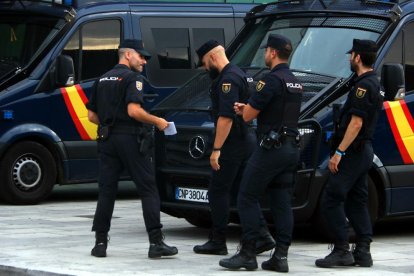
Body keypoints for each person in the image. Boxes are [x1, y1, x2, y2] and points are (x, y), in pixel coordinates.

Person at [86, 39, 178, 259]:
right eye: (141, 56)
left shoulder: (102, 79)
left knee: (107, 190)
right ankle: (156, 243)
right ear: (128, 54)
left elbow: (91, 116)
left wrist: (109, 124)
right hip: (129, 138)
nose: (144, 62)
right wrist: (157, 121)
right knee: (148, 188)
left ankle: (100, 243)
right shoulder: (132, 79)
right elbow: (134, 111)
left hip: (107, 139)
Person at [219, 34, 302, 272]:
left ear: (273, 53)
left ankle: (247, 253)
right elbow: (279, 110)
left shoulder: (270, 80)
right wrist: (252, 108)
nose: (265, 54)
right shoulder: (295, 82)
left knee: (246, 196)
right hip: (290, 148)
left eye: (266, 50)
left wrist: (244, 109)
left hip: (271, 149)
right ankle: (281, 256)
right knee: (281, 201)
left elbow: (247, 117)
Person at [193, 40, 275, 256]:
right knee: (242, 191)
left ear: (211, 57)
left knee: (217, 191)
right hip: (245, 140)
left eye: (203, 63)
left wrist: (217, 149)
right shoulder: (241, 73)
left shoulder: (227, 79)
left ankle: (218, 240)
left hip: (232, 143)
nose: (204, 69)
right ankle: (263, 236)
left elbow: (226, 118)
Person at [315, 39, 383, 268]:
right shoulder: (368, 82)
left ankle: (342, 249)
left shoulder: (364, 87)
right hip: (362, 152)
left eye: (351, 54)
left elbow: (355, 124)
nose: (348, 58)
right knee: (357, 200)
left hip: (353, 152)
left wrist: (339, 153)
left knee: (331, 199)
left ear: (358, 57)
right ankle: (363, 251)